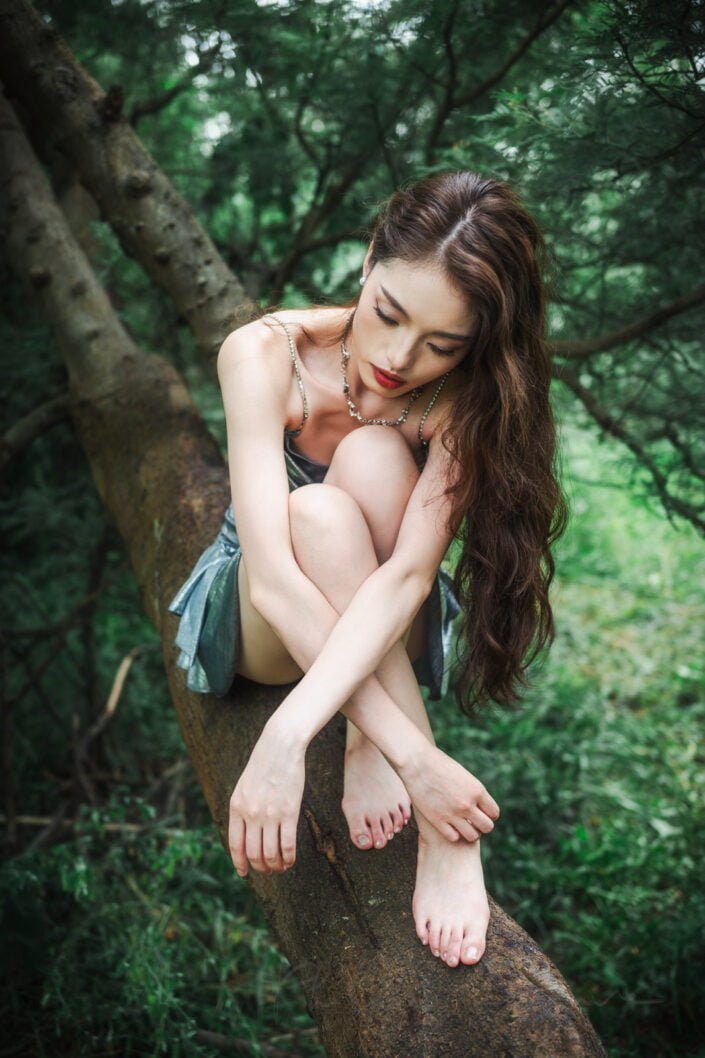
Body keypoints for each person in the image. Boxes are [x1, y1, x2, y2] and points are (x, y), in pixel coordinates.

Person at [169, 170, 567, 970]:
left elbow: (408, 578)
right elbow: (276, 576)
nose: (396, 357)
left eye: (441, 345)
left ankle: (367, 744)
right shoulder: (260, 354)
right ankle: (424, 791)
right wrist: (292, 738)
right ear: (366, 262)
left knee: (375, 452)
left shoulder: (464, 400)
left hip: (379, 605)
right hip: (259, 611)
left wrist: (317, 735)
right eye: (387, 314)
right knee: (312, 512)